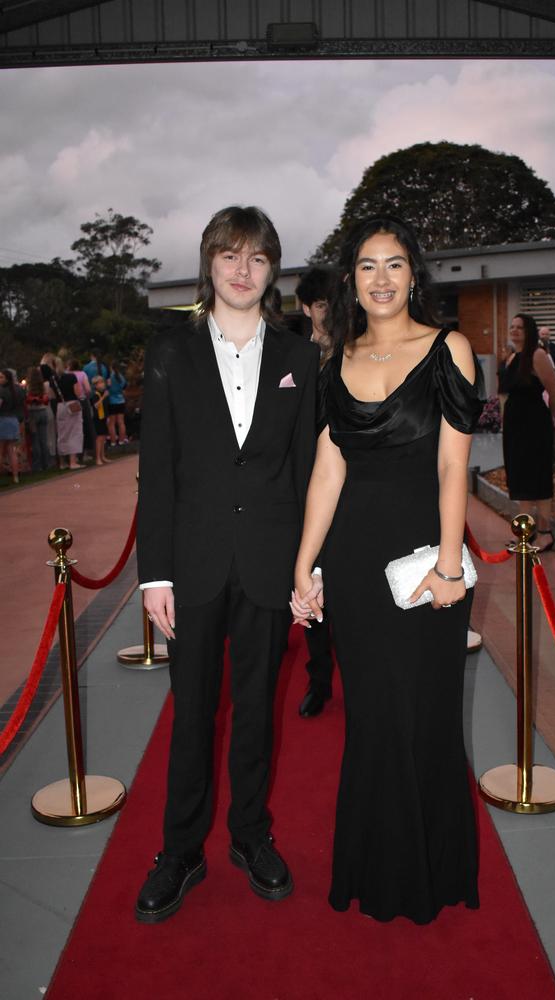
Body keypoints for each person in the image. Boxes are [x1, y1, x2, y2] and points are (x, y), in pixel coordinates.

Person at [291, 214, 483, 924]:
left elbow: (452, 465)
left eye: (394, 264)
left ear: (413, 274)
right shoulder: (335, 359)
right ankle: (377, 868)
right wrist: (304, 567)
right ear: (351, 279)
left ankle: (431, 871)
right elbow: (327, 473)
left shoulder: (449, 349)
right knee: (373, 718)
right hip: (354, 565)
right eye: (367, 265)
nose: (381, 278)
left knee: (425, 715)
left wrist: (449, 566)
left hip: (425, 561)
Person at [135, 205, 319, 924]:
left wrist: (312, 568)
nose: (243, 272)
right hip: (194, 562)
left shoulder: (300, 358)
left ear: (273, 271)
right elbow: (159, 469)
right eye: (230, 256)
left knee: (256, 713)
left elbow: (307, 473)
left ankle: (249, 835)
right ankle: (180, 849)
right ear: (209, 262)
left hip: (271, 563)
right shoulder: (171, 352)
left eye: (258, 259)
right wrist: (155, 574)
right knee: (193, 713)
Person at [294, 265, 340, 718]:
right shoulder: (292, 357)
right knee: (307, 582)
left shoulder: (355, 351)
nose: (330, 310)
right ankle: (320, 679)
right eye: (322, 303)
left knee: (348, 582)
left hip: (349, 487)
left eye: (334, 301)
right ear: (306, 307)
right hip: (304, 487)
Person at [500, 314, 555, 552]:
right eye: (512, 327)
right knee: (521, 479)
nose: (514, 331)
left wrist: (547, 418)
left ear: (530, 331)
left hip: (535, 427)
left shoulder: (537, 355)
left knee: (538, 478)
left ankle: (545, 533)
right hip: (515, 429)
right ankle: (525, 532)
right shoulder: (513, 357)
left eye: (520, 328)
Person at [53, 357, 83, 470]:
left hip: (60, 405)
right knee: (75, 432)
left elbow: (51, 395)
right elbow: (78, 392)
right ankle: (73, 461)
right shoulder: (71, 376)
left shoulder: (53, 379)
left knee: (62, 433)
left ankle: (62, 462)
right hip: (72, 404)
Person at [0, 368, 25, 484]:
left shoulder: (2, 391)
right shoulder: (18, 389)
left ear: (7, 379)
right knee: (12, 450)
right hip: (14, 420)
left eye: (1, 377)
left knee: (1, 451)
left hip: (3, 420)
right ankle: (16, 477)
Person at [24, 366, 51, 471]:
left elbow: (26, 400)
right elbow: (46, 399)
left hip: (32, 414)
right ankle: (47, 463)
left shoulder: (27, 387)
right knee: (44, 440)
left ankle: (37, 465)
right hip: (43, 411)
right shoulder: (43, 386)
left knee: (35, 441)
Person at [90, 374, 111, 465]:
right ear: (95, 385)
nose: (103, 384)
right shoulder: (95, 395)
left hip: (103, 417)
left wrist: (108, 417)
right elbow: (96, 405)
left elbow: (106, 407)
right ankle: (98, 458)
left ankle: (103, 456)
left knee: (103, 437)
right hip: (97, 418)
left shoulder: (103, 394)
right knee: (99, 438)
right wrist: (103, 397)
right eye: (100, 383)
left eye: (103, 382)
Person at [106, 360, 128, 446]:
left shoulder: (110, 378)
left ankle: (113, 442)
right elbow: (124, 387)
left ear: (111, 367)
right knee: (121, 422)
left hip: (112, 401)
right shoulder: (121, 377)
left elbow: (107, 388)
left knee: (112, 423)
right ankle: (122, 441)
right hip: (121, 401)